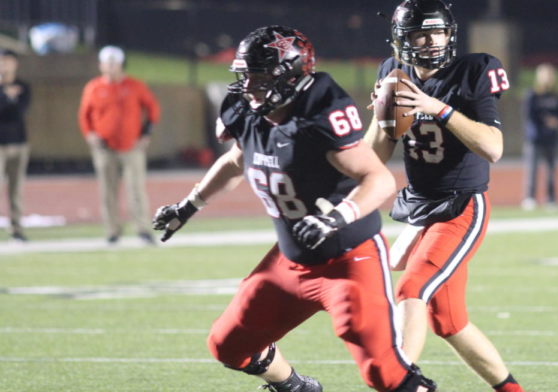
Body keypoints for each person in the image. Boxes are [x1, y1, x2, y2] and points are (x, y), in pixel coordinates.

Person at [152, 25, 437, 392]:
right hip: (290, 261)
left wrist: (336, 217)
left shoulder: (319, 112)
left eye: (258, 75)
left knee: (385, 375)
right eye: (246, 74)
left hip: (348, 260)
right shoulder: (250, 112)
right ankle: (295, 387)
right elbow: (236, 161)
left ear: (289, 76)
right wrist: (188, 205)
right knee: (228, 345)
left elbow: (378, 179)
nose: (248, 85)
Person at [364, 0, 529, 392]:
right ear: (402, 40)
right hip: (421, 208)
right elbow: (377, 153)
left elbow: (493, 148)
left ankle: (402, 382)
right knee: (449, 322)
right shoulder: (394, 72)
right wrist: (380, 115)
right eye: (421, 36)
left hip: (460, 207)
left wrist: (437, 107)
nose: (432, 43)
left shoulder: (474, 70)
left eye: (438, 33)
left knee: (411, 289)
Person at [78, 45, 160, 244]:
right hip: (105, 148)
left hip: (131, 146)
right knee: (108, 190)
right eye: (108, 63)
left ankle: (142, 228)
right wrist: (90, 135)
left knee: (136, 190)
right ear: (101, 65)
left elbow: (153, 109)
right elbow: (84, 115)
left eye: (115, 62)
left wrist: (146, 134)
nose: (111, 66)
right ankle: (112, 231)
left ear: (121, 64)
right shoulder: (94, 87)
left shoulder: (135, 85)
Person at [521, 62, 558, 210]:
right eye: (545, 75)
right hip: (535, 138)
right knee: (532, 169)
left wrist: (556, 121)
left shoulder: (556, 95)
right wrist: (546, 120)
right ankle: (529, 198)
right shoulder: (532, 94)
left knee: (551, 170)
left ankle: (551, 199)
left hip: (551, 138)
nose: (548, 78)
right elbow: (530, 115)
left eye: (550, 75)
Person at [0, 50, 31, 242]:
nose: (5, 65)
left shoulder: (24, 87)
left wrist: (9, 100)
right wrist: (5, 97)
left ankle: (16, 229)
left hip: (19, 143)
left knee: (16, 189)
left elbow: (20, 112)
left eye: (8, 62)